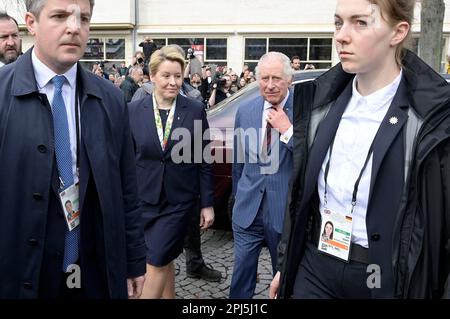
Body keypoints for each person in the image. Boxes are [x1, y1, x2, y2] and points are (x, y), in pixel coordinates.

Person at [271, 0, 450, 299]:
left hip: (382, 276)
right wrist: (285, 264)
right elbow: (301, 195)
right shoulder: (320, 104)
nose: (341, 35)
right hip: (316, 265)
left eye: (360, 22)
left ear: (398, 32)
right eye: (338, 22)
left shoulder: (432, 119)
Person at [0, 0, 146, 299]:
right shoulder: (2, 93)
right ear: (31, 22)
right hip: (21, 274)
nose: (74, 27)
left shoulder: (111, 99)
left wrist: (133, 261)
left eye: (84, 18)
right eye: (60, 16)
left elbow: (127, 189)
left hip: (92, 274)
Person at [128, 45, 215, 299]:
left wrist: (207, 203)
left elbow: (204, 159)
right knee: (161, 258)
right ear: (152, 76)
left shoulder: (195, 110)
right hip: (144, 200)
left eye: (178, 76)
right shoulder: (133, 111)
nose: (173, 82)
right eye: (166, 76)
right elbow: (127, 159)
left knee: (155, 261)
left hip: (179, 202)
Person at [230, 52, 294, 299]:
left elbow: (310, 157)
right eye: (264, 78)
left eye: (276, 78)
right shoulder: (245, 110)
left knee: (285, 281)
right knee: (241, 280)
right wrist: (238, 200)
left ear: (289, 79)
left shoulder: (305, 107)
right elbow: (239, 163)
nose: (270, 85)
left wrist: (286, 130)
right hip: (248, 211)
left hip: (284, 213)